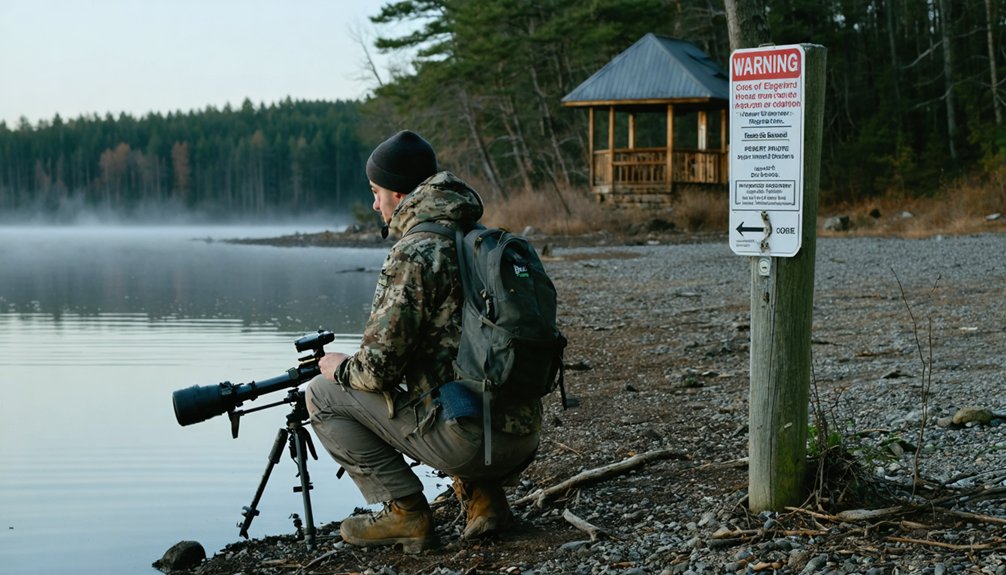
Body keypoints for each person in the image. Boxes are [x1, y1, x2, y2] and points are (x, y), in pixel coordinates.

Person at [305, 130, 542, 553]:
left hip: (474, 443)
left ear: (398, 193)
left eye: (376, 192)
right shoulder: (477, 237)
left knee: (322, 395)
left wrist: (337, 365)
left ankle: (406, 514)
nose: (375, 203)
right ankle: (486, 500)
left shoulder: (416, 252)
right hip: (522, 434)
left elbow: (376, 371)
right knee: (450, 374)